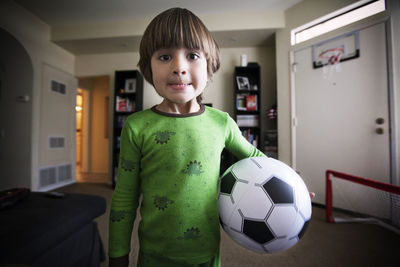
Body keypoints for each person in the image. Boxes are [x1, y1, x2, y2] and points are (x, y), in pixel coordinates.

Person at [108, 7, 266, 267]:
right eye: (165, 56)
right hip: (153, 255)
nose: (179, 67)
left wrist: (291, 183)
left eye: (192, 55)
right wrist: (117, 255)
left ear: (209, 65)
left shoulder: (221, 122)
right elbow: (124, 196)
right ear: (149, 67)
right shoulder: (136, 127)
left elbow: (256, 158)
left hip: (206, 253)